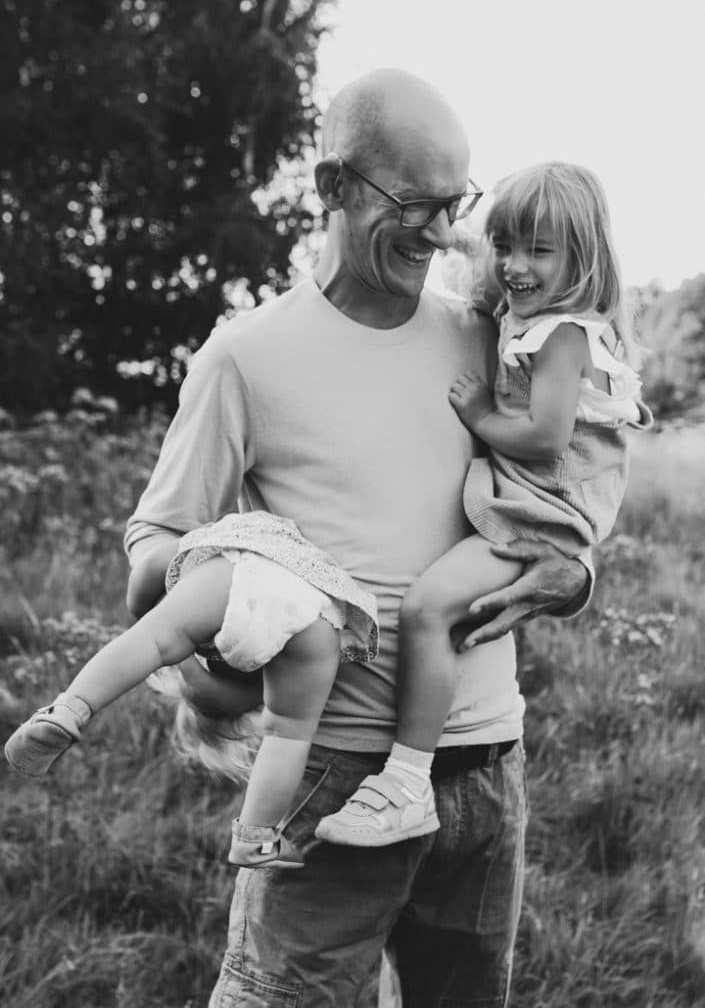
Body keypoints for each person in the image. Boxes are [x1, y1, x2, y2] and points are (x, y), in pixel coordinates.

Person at [123, 70, 591, 1008]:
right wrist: (223, 669)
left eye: (453, 203)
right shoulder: (244, 358)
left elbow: (557, 505)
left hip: (486, 773)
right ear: (330, 186)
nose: (441, 231)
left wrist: (568, 578)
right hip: (330, 777)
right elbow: (157, 548)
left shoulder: (488, 340)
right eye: (413, 202)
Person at [315, 161, 652, 848]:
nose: (514, 266)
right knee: (428, 608)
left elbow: (543, 437)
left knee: (426, 608)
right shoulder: (527, 315)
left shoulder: (562, 336)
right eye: (506, 245)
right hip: (531, 501)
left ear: (581, 255)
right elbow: (480, 261)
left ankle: (406, 779)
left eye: (538, 249)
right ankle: (408, 774)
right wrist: (464, 237)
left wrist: (477, 414)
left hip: (542, 509)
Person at [4, 510, 378, 868]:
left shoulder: (251, 689)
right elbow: (149, 573)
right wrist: (144, 605)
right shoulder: (212, 576)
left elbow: (275, 715)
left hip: (294, 601)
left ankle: (256, 835)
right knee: (286, 729)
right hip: (290, 583)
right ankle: (71, 706)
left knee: (282, 728)